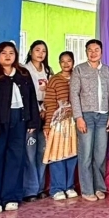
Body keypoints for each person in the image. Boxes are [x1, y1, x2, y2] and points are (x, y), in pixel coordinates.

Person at [0, 42, 40, 214]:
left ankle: (11, 196)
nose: (7, 56)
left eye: (11, 53)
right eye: (3, 53)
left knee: (16, 158)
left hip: (20, 119)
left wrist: (32, 122)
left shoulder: (22, 73)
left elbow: (31, 98)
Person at [70, 39, 109, 202]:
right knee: (86, 154)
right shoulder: (79, 69)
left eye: (96, 49)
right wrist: (79, 117)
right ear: (86, 52)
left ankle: (99, 187)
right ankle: (87, 189)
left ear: (101, 52)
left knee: (100, 154)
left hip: (103, 116)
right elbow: (74, 94)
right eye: (90, 50)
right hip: (86, 116)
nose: (93, 53)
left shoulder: (107, 70)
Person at [43, 51, 78, 200]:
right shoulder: (54, 80)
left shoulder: (78, 77)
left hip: (74, 122)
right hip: (57, 123)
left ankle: (69, 186)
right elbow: (50, 103)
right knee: (57, 154)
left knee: (72, 154)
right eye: (62, 61)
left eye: (68, 60)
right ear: (59, 63)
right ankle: (57, 188)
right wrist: (47, 125)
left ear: (73, 62)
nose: (66, 64)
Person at [23, 40, 52, 202]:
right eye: (37, 50)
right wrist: (36, 111)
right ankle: (29, 190)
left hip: (46, 116)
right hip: (31, 117)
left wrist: (46, 109)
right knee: (29, 154)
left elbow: (51, 94)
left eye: (44, 51)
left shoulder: (48, 71)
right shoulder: (24, 70)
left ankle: (40, 188)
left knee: (43, 153)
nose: (40, 53)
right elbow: (25, 96)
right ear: (31, 52)